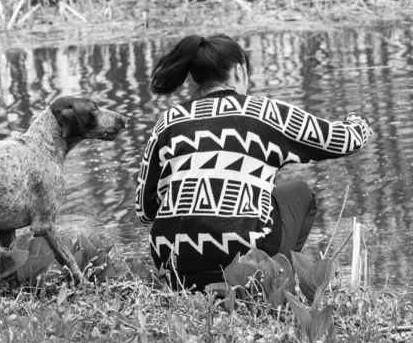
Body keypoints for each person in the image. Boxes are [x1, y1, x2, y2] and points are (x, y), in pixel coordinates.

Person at [135, 34, 372, 291]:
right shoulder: (264, 112)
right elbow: (343, 140)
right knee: (299, 192)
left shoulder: (168, 121)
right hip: (244, 266)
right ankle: (273, 285)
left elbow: (145, 211)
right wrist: (360, 120)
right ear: (239, 70)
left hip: (174, 269)